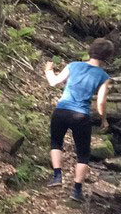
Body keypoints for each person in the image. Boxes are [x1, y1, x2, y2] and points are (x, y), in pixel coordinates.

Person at [44, 38, 114, 202]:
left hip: (61, 111)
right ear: (107, 57)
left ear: (91, 50)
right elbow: (101, 102)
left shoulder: (73, 65)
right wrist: (104, 119)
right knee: (83, 155)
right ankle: (76, 191)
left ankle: (57, 176)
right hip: (81, 115)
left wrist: (48, 70)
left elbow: (53, 82)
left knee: (56, 143)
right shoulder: (104, 77)